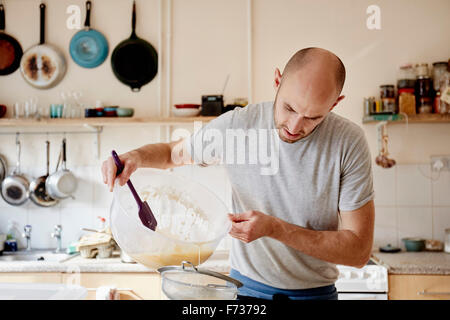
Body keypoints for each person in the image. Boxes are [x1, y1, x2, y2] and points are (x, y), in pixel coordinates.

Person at [102, 47, 375, 300]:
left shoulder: (348, 142)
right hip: (245, 293)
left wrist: (275, 228)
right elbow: (174, 154)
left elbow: (359, 251)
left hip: (316, 296)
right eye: (289, 108)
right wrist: (135, 157)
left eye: (313, 117)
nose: (294, 126)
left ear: (335, 104)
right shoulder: (239, 126)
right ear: (277, 80)